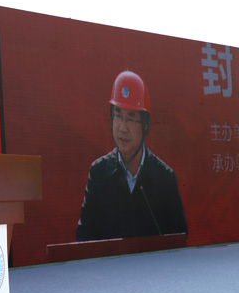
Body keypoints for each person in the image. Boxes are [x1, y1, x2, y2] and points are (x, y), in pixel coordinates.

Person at [76, 70, 188, 242]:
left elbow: (179, 239)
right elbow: (84, 235)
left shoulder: (164, 178)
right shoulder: (99, 173)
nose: (122, 128)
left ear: (145, 126)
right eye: (118, 116)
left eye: (130, 118)